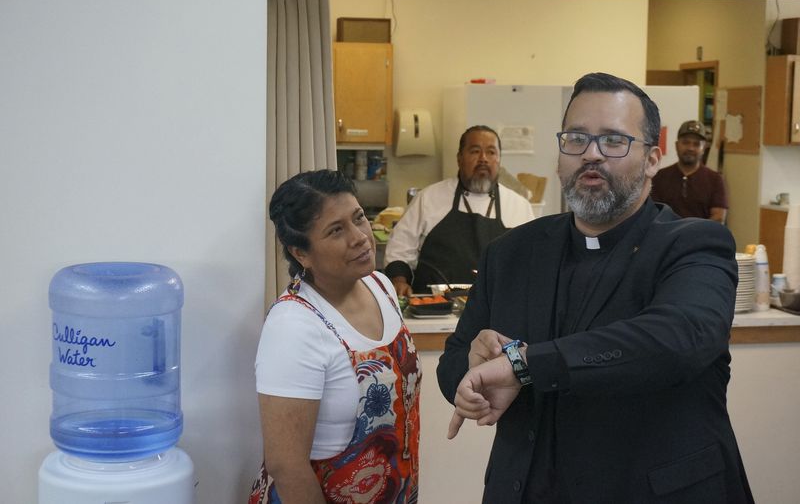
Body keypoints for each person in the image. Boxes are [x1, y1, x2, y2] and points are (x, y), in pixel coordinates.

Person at [437, 73, 753, 504]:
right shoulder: (510, 253)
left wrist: (523, 364)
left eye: (614, 141)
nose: (591, 154)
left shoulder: (693, 245)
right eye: (576, 138)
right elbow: (454, 363)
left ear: (652, 159)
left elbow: (678, 339)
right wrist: (472, 376)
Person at [250, 170, 421, 504]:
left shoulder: (381, 286)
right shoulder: (294, 325)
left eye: (359, 218)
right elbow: (286, 465)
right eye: (336, 230)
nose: (359, 237)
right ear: (301, 253)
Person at [384, 125, 536, 296]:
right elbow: (399, 249)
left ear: (499, 160)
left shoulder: (519, 207)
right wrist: (399, 280)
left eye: (491, 152)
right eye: (474, 151)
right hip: (436, 309)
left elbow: (534, 262)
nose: (483, 159)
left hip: (498, 310)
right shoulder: (428, 198)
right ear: (459, 158)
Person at [651, 120, 728, 223]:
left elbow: (719, 217)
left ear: (704, 148)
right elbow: (652, 214)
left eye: (696, 144)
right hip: (667, 237)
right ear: (677, 145)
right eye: (686, 142)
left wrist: (692, 233)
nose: (690, 148)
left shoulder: (715, 179)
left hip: (702, 237)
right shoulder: (659, 177)